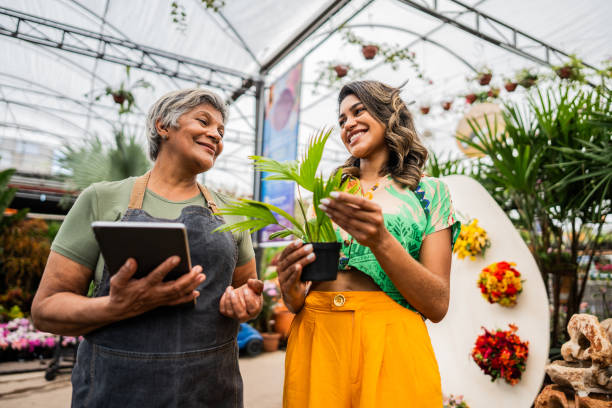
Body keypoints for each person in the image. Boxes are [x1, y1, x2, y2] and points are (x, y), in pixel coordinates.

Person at [31, 88, 263, 407]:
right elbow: (46, 310)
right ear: (163, 126)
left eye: (221, 131)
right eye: (204, 121)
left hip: (209, 390)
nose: (215, 134)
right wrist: (115, 307)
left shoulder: (232, 212)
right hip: (116, 390)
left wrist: (246, 303)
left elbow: (245, 291)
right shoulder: (102, 199)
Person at [277, 80, 460, 407]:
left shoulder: (429, 193)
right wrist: (291, 289)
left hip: (392, 338)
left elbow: (437, 304)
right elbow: (300, 295)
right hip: (317, 334)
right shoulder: (329, 189)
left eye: (358, 111)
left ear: (389, 115)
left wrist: (381, 240)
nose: (348, 123)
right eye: (342, 119)